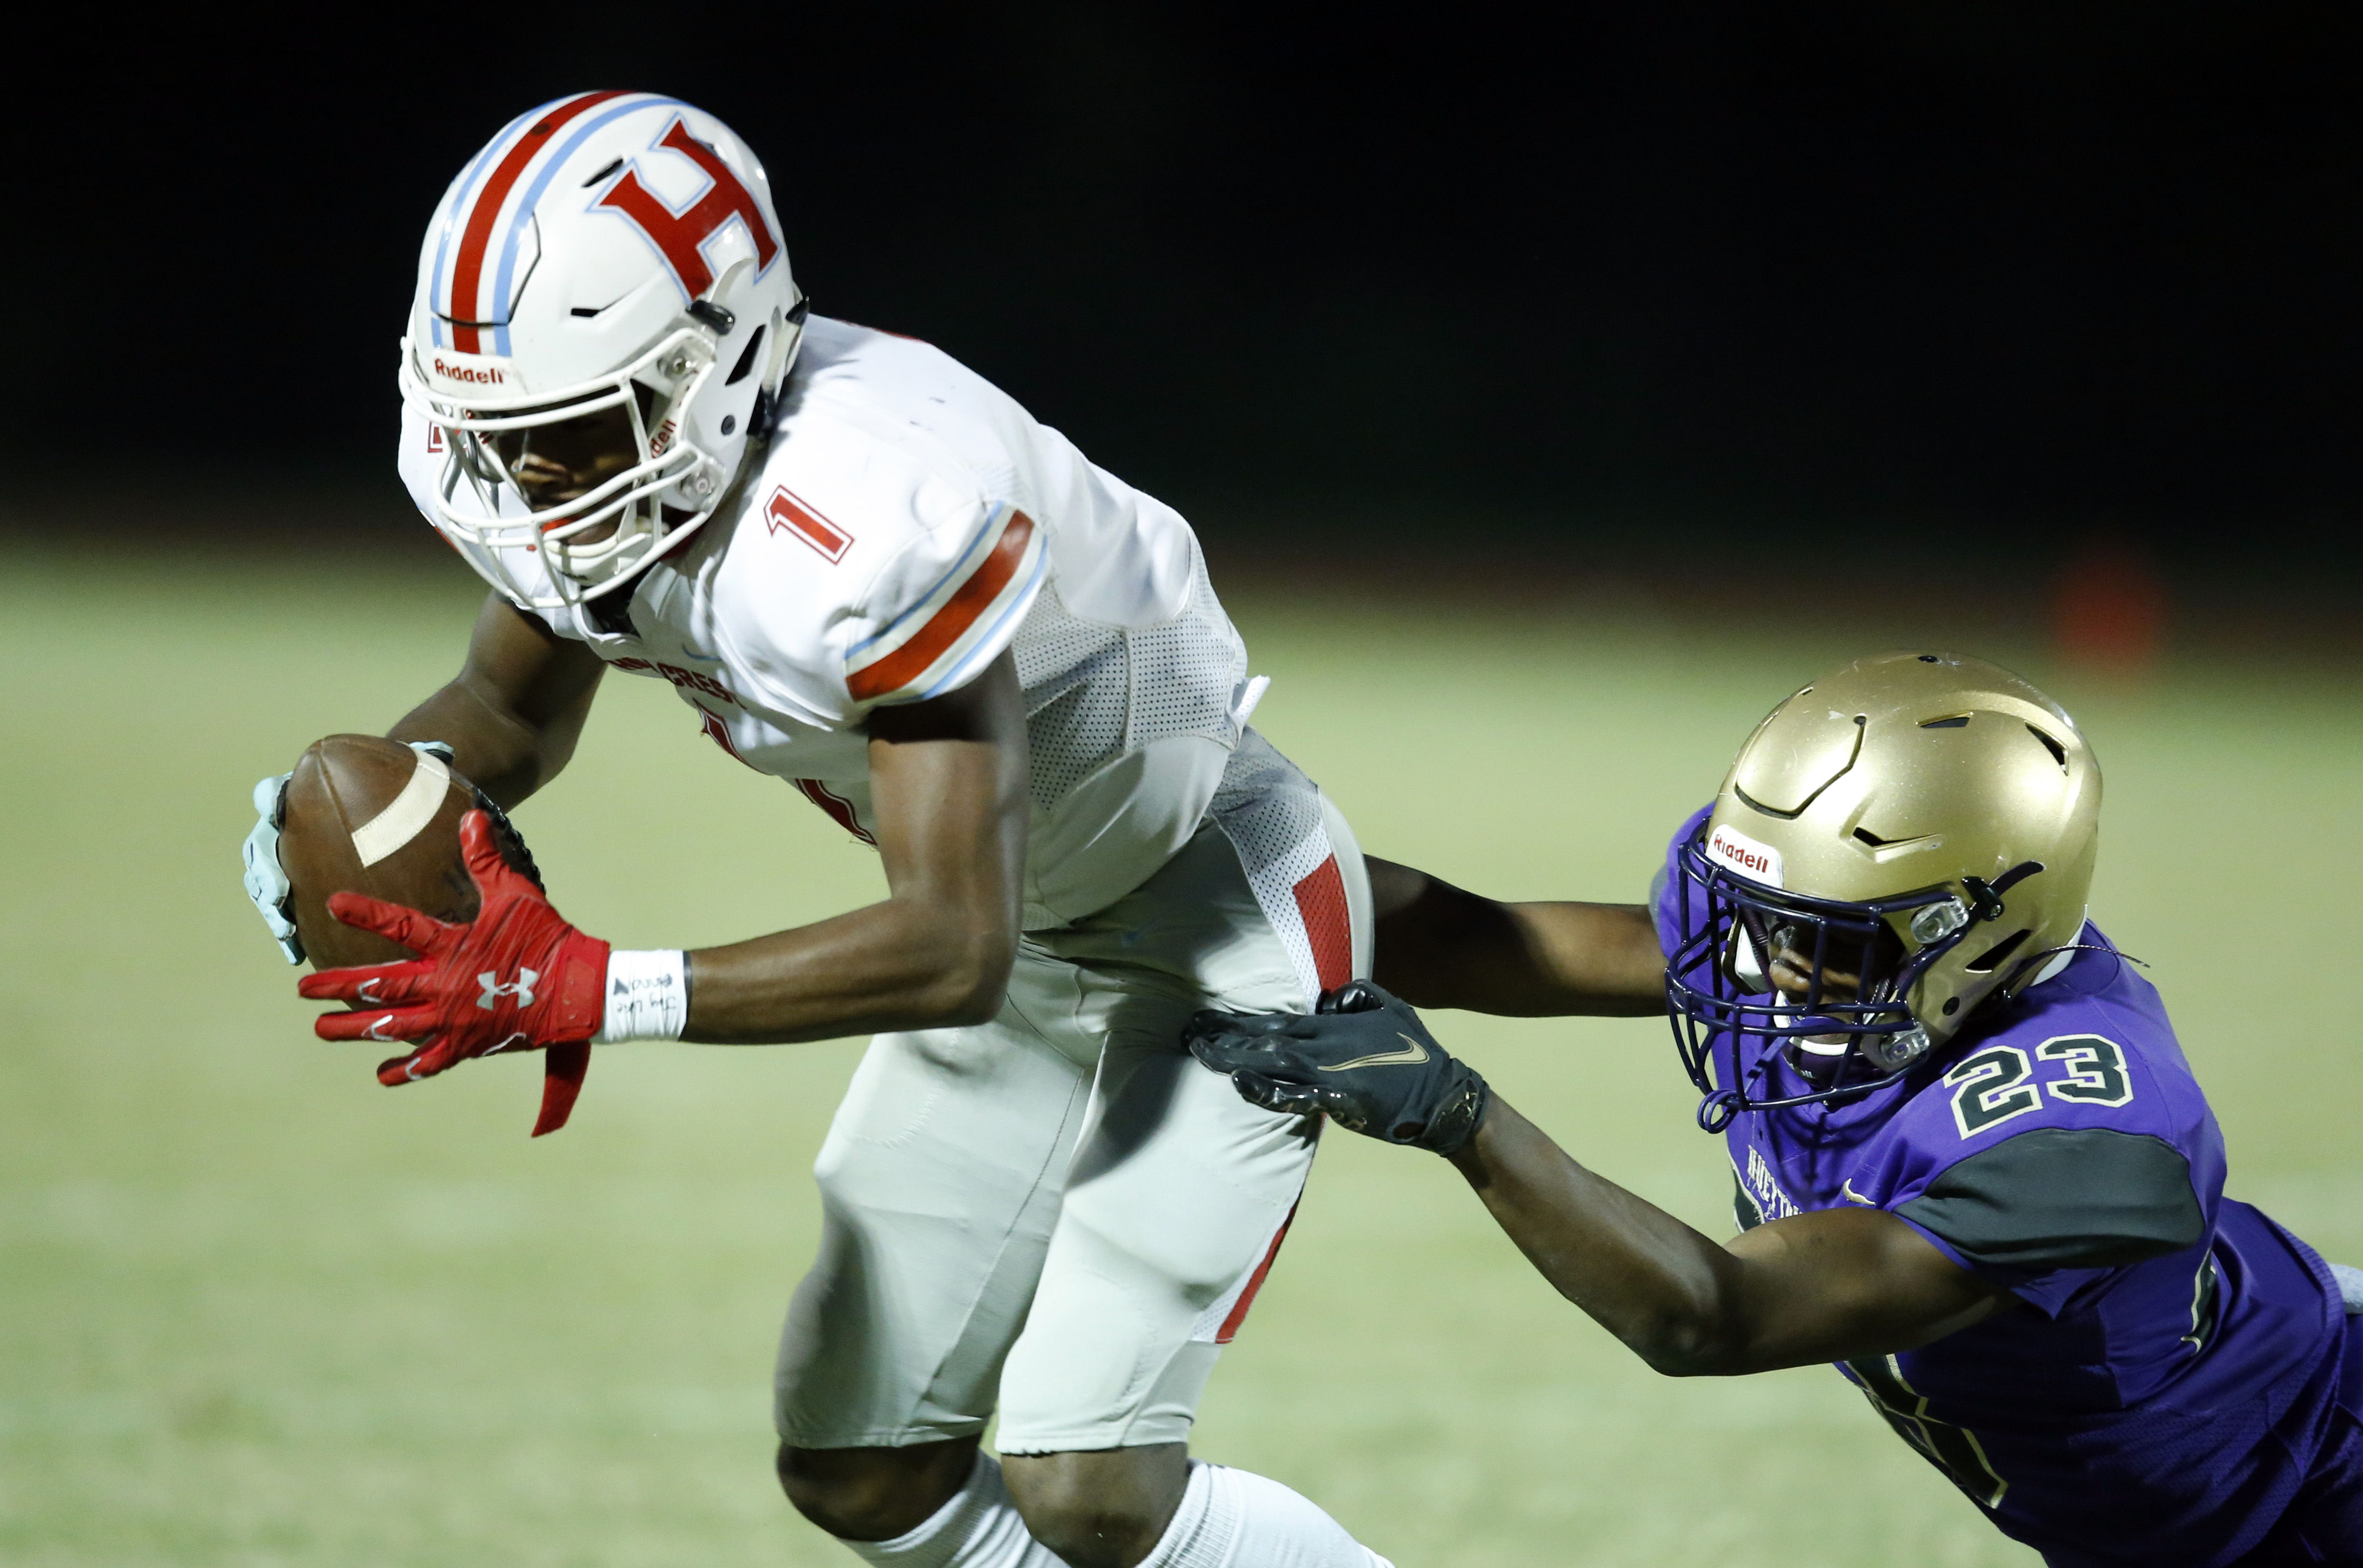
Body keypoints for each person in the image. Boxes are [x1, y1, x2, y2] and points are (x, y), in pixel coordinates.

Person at [239, 91, 1391, 1568]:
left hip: (1208, 926)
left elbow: (946, 944)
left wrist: (594, 984)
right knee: (862, 1473)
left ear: (715, 369)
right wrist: (370, 802)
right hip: (1038, 936)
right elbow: (504, 712)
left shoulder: (871, 511)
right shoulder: (609, 478)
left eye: (574, 438)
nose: (532, 488)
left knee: (1086, 1480)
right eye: (503, 440)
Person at [1186, 650, 2363, 1566]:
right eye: (1769, 919)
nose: (1775, 965)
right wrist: (1211, 845)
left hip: (2314, 1493)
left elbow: (1717, 1315)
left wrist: (1459, 1116)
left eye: (1829, 939)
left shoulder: (2081, 1137)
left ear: (1979, 932)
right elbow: (1493, 945)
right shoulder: (1854, 953)